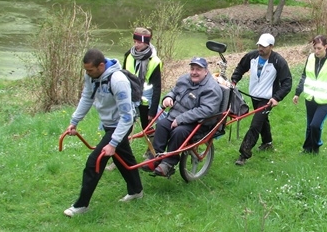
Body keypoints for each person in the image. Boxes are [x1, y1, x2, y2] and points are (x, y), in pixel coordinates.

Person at [63, 49, 144, 217]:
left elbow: (127, 117)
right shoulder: (92, 75)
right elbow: (87, 97)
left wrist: (113, 143)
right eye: (86, 70)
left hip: (121, 125)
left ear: (101, 65)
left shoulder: (118, 81)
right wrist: (74, 122)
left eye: (90, 70)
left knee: (95, 162)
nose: (87, 73)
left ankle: (81, 205)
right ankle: (136, 190)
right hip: (108, 124)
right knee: (123, 158)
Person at [151, 57, 223, 177]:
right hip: (176, 116)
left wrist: (180, 119)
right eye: (192, 68)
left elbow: (206, 110)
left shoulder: (211, 88)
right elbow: (174, 91)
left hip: (198, 123)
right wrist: (168, 97)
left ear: (206, 71)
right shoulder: (185, 79)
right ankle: (156, 157)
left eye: (198, 69)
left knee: (178, 132)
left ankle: (168, 163)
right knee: (162, 125)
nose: (194, 72)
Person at [231, 33, 292, 166]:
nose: (260, 48)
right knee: (263, 120)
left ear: (271, 46)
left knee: (255, 124)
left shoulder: (278, 61)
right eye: (259, 45)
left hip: (267, 99)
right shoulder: (252, 56)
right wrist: (234, 80)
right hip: (254, 95)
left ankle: (244, 154)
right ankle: (267, 143)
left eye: (263, 46)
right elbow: (241, 68)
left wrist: (277, 98)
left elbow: (287, 83)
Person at [292, 35, 327, 154]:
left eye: (319, 48)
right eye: (315, 48)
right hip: (310, 98)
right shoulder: (310, 58)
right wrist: (297, 93)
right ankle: (307, 149)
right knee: (309, 125)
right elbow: (304, 76)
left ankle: (315, 147)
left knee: (315, 125)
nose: (316, 51)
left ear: (326, 47)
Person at [123, 27, 162, 132]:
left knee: (147, 129)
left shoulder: (154, 61)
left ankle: (152, 147)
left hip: (145, 101)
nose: (136, 45)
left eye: (139, 42)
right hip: (129, 97)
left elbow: (157, 88)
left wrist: (152, 111)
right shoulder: (128, 56)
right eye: (135, 41)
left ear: (146, 43)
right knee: (125, 127)